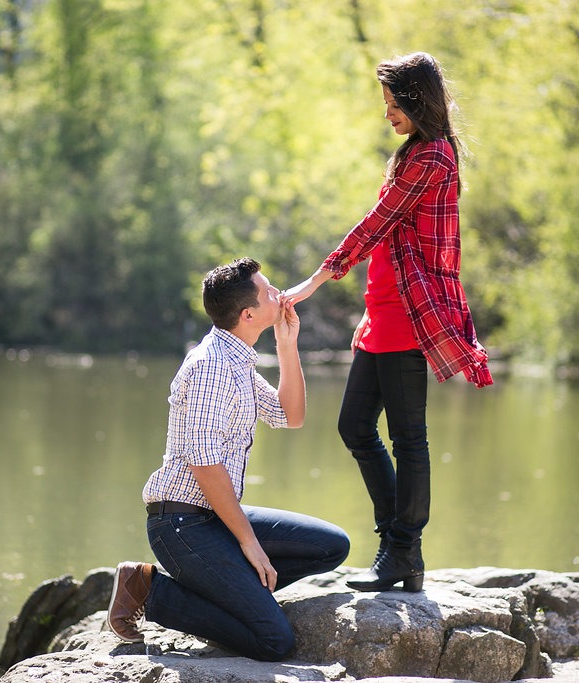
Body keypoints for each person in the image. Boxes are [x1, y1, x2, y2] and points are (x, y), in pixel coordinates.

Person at [281, 52, 493, 593]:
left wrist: (314, 282)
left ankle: (403, 551)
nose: (387, 113)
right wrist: (367, 313)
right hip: (385, 312)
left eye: (392, 103)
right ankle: (397, 545)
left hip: (409, 314)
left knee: (408, 439)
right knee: (354, 426)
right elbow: (393, 240)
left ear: (415, 99)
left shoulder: (432, 159)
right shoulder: (414, 154)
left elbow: (379, 224)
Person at [106, 257, 350, 661]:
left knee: (331, 546)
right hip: (181, 524)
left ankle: (231, 600)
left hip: (212, 516)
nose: (279, 293)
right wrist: (248, 542)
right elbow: (204, 464)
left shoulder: (237, 358)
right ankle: (150, 590)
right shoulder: (210, 366)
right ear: (249, 313)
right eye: (270, 290)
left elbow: (291, 416)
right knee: (275, 642)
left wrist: (287, 346)